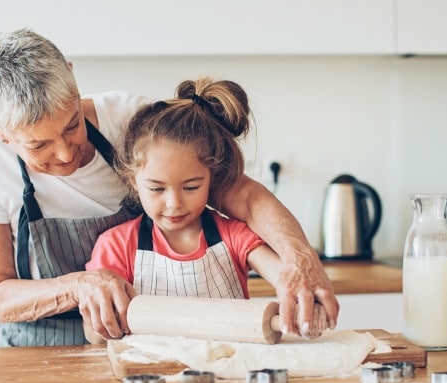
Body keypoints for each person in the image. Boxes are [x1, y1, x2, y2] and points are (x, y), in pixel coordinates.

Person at [0, 28, 339, 347]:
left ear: (73, 76)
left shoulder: (129, 119)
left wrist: (297, 258)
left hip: (140, 339)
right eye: (38, 145)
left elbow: (242, 196)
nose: (66, 152)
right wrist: (82, 286)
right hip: (33, 350)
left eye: (73, 124)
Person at [85, 77, 329, 343]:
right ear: (133, 181)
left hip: (228, 372)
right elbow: (95, 338)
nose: (174, 203)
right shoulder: (117, 245)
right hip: (148, 375)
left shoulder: (233, 235)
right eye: (157, 189)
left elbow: (285, 276)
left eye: (191, 187)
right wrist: (100, 319)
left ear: (212, 179)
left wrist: (305, 305)